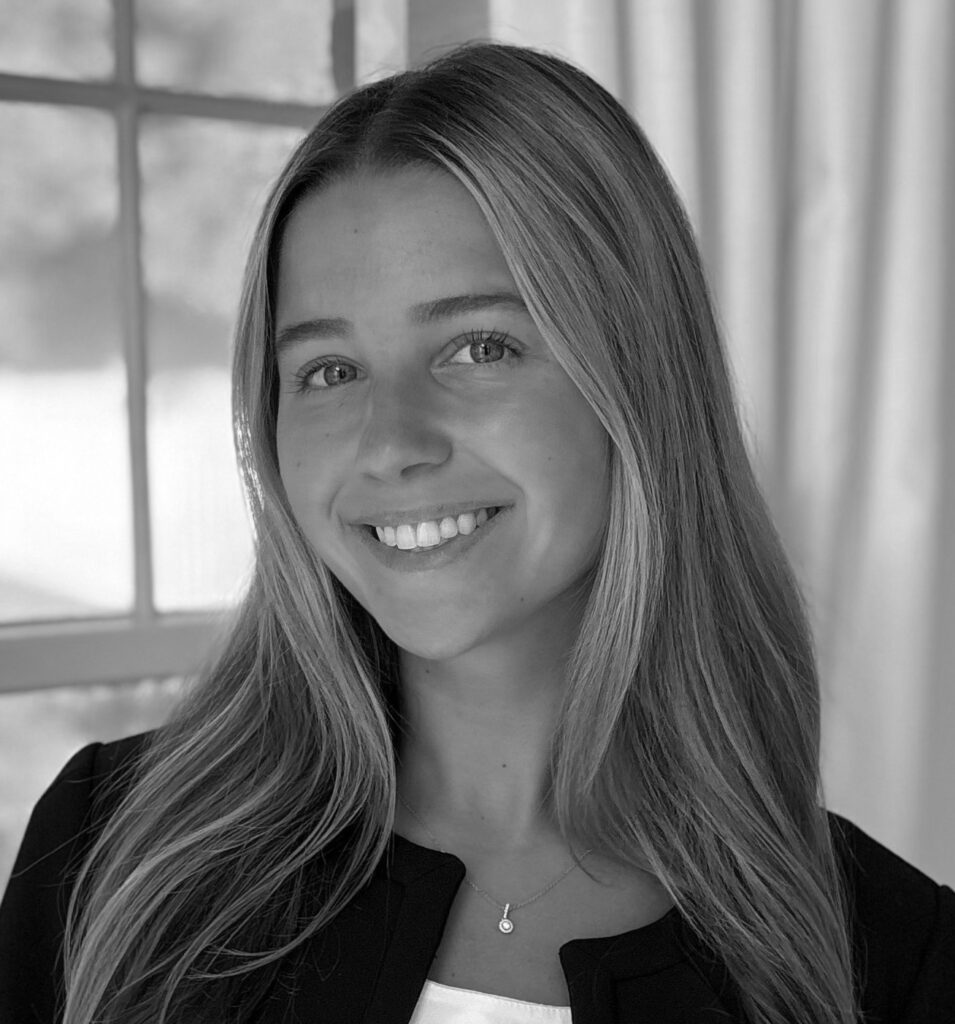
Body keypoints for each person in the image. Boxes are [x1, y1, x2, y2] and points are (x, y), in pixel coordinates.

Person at [1, 40, 952, 1024]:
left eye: (478, 345)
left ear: (636, 374)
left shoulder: (893, 961)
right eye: (328, 369)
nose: (391, 442)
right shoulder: (108, 848)